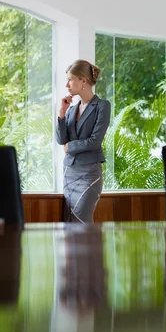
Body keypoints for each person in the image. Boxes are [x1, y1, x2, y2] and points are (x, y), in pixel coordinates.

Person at [56, 60, 111, 223]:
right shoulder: (72, 109)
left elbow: (94, 141)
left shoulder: (102, 106)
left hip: (89, 174)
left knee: (82, 220)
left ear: (83, 81)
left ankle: (89, 250)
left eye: (70, 79)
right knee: (70, 221)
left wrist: (70, 146)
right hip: (69, 173)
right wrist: (61, 114)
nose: (67, 85)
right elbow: (61, 140)